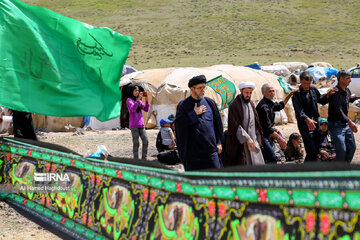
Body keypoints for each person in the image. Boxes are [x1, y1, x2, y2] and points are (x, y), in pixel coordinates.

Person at [175, 75, 223, 171]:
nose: (203, 90)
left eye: (204, 87)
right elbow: (179, 125)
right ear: (192, 89)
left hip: (211, 151)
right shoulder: (183, 105)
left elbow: (218, 125)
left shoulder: (210, 103)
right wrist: (194, 114)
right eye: (199, 88)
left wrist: (219, 142)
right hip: (193, 154)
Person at [292, 71, 334, 162]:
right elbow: (299, 112)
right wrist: (307, 120)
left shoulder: (313, 89)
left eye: (308, 83)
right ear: (300, 81)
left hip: (315, 122)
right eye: (304, 83)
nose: (306, 85)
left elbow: (321, 100)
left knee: (317, 147)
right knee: (311, 150)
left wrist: (328, 95)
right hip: (305, 125)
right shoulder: (297, 94)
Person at [225, 82, 265, 166]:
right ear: (241, 91)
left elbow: (255, 122)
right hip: (242, 142)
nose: (248, 95)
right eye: (246, 92)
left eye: (250, 93)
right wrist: (247, 138)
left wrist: (258, 137)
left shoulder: (251, 103)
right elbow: (235, 125)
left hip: (254, 141)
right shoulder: (234, 105)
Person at [256, 83, 296, 163]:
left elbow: (280, 106)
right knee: (271, 157)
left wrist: (290, 94)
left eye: (273, 91)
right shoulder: (263, 107)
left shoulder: (269, 103)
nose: (272, 93)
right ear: (263, 93)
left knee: (273, 156)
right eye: (270, 91)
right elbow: (267, 128)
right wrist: (280, 139)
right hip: (262, 136)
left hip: (268, 134)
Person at [327, 70, 360, 162]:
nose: (350, 80)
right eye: (348, 78)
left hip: (344, 124)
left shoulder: (347, 90)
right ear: (341, 79)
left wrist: (358, 97)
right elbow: (338, 110)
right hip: (335, 125)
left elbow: (349, 99)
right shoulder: (335, 93)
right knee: (342, 150)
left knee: (352, 148)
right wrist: (350, 122)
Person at [126, 84, 149, 160]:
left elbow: (146, 109)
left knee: (146, 141)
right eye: (135, 90)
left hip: (141, 125)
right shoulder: (129, 100)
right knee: (136, 143)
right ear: (131, 91)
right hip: (134, 125)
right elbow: (132, 109)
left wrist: (146, 99)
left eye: (138, 90)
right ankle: (136, 159)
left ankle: (144, 159)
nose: (137, 92)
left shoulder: (137, 100)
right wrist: (138, 100)